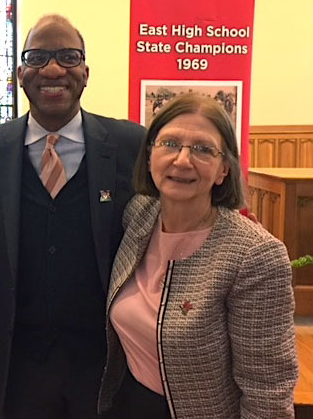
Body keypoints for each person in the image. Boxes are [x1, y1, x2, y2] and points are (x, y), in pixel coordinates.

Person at [0, 14, 145, 419]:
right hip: (17, 362)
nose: (54, 68)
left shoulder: (132, 145)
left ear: (86, 72)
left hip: (104, 361)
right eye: (38, 57)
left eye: (68, 56)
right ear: (20, 73)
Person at [98, 93, 298, 418]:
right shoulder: (138, 216)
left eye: (203, 149)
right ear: (149, 157)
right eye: (170, 144)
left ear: (223, 170)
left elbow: (268, 394)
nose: (182, 160)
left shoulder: (254, 255)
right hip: (125, 404)